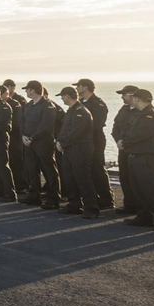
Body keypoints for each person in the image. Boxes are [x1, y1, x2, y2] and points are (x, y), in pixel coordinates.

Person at [121, 88, 154, 232]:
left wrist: (124, 142)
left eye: (133, 97)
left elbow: (140, 134)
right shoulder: (139, 115)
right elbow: (127, 130)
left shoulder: (153, 116)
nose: (131, 99)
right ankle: (144, 217)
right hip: (136, 155)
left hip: (148, 157)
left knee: (153, 189)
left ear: (138, 99)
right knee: (139, 189)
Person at [56, 86, 101, 219]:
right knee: (70, 178)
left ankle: (91, 207)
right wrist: (59, 141)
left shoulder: (80, 111)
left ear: (68, 96)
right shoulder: (71, 110)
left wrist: (62, 143)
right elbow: (65, 130)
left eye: (63, 96)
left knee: (83, 178)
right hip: (70, 149)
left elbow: (76, 131)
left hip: (80, 149)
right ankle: (74, 204)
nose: (62, 99)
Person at [76, 78, 116, 210]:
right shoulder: (80, 102)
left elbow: (97, 124)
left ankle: (106, 198)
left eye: (79, 86)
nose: (77, 89)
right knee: (86, 170)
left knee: (97, 168)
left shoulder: (98, 104)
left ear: (86, 87)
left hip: (95, 139)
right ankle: (92, 196)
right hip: (82, 140)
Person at [19, 81, 59, 208]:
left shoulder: (48, 105)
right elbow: (23, 122)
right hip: (29, 142)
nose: (26, 92)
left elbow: (46, 126)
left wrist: (32, 137)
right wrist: (23, 136)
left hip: (42, 142)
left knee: (49, 170)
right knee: (31, 169)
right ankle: (34, 195)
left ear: (33, 90)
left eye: (27, 90)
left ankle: (54, 198)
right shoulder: (29, 105)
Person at [110, 85, 140, 214]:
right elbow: (116, 126)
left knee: (137, 178)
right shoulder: (124, 109)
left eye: (124, 94)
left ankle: (140, 206)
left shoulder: (141, 111)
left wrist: (126, 142)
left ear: (132, 95)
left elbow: (139, 132)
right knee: (125, 177)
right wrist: (118, 141)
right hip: (122, 148)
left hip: (134, 150)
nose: (122, 97)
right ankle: (129, 204)